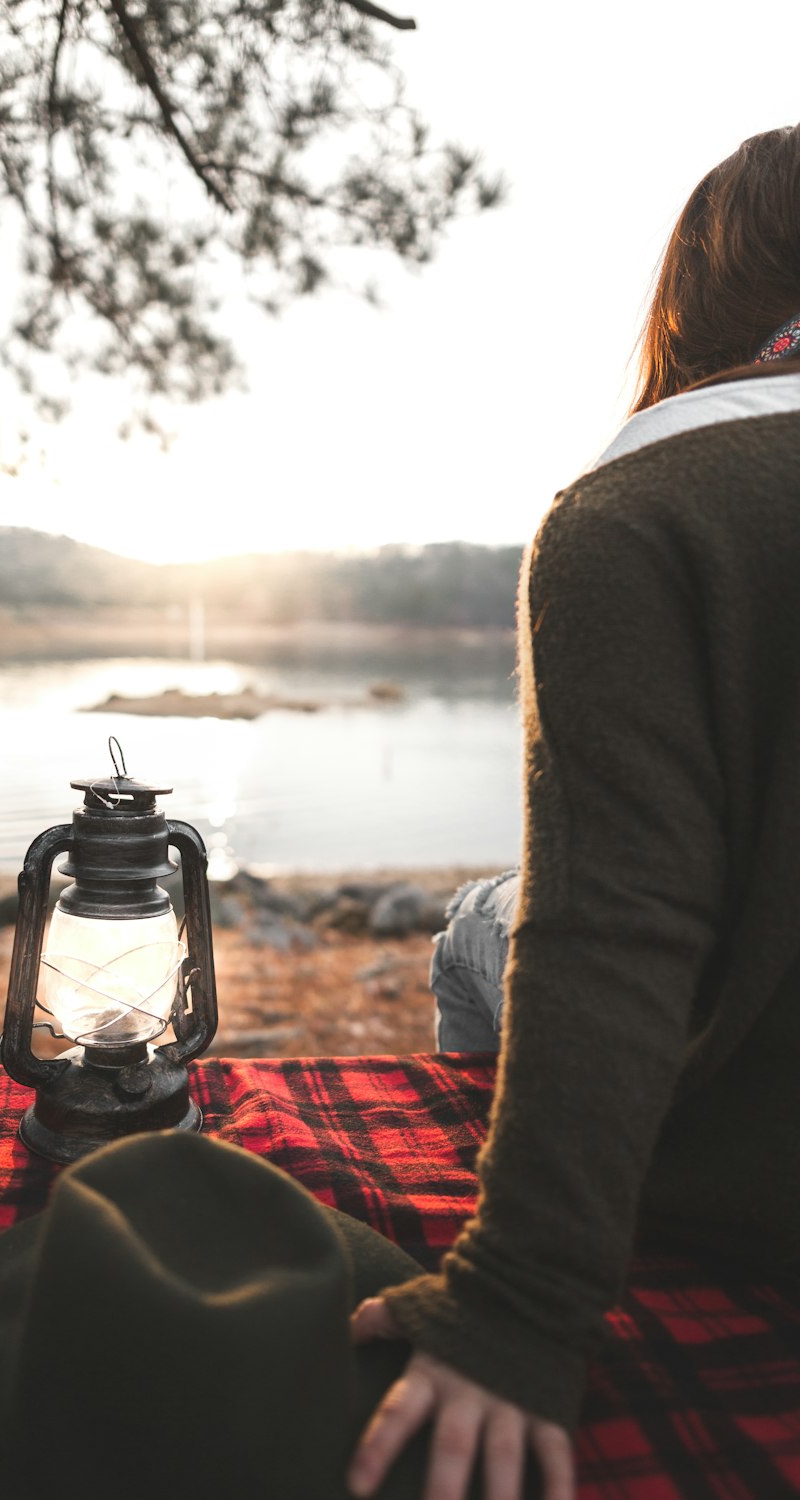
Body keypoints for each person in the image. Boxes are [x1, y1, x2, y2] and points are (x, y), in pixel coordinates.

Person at [347, 123, 800, 1500]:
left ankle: (493, 1167)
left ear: (698, 300)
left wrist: (519, 1307)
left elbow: (617, 923)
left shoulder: (641, 512)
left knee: (489, 924)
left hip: (742, 1178)